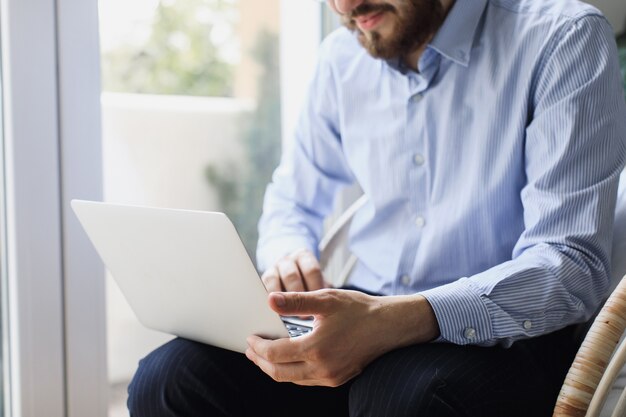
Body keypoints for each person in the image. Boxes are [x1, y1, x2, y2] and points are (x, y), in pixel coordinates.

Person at [127, 0, 626, 415]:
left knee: (401, 398)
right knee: (168, 380)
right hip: (363, 309)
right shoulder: (342, 58)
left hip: (510, 337)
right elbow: (292, 199)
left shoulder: (563, 40)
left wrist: (399, 319)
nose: (346, 7)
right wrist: (288, 255)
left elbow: (569, 265)